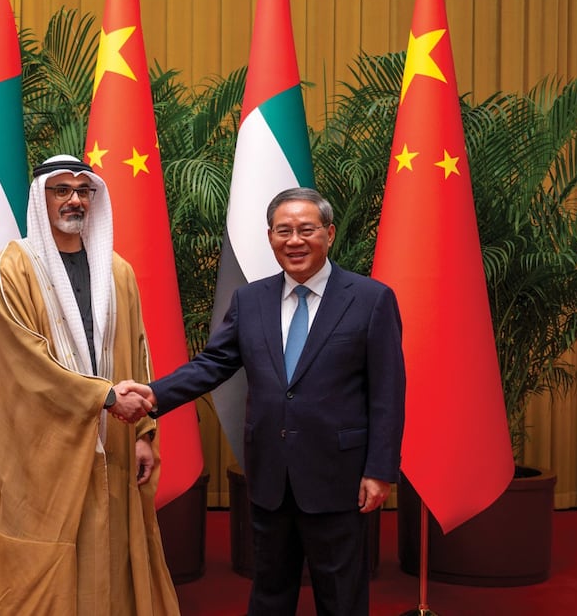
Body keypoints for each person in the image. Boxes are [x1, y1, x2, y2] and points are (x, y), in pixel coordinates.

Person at [120, 187, 405, 616]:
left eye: (306, 230)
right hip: (270, 473)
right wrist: (154, 393)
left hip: (339, 477)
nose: (295, 240)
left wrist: (379, 471)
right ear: (270, 237)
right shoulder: (250, 300)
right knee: (270, 592)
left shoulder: (370, 299)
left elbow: (388, 393)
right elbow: (214, 363)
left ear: (328, 234)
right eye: (283, 231)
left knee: (342, 597)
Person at [0, 154, 180, 615]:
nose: (75, 200)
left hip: (116, 438)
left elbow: (138, 352)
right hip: (40, 450)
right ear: (40, 198)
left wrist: (144, 433)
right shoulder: (12, 270)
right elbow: (23, 363)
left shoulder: (117, 271)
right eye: (62, 190)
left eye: (84, 191)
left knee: (113, 551)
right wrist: (101, 397)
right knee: (44, 558)